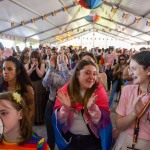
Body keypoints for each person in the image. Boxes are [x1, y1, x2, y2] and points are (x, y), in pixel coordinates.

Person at [52, 60, 112, 150]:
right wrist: (65, 108)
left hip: (92, 142)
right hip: (71, 141)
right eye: (87, 73)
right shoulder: (66, 91)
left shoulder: (99, 91)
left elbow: (102, 123)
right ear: (77, 74)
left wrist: (93, 109)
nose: (92, 77)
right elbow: (60, 121)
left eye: (94, 74)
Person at [113, 51, 150, 150]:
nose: (129, 73)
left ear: (148, 70)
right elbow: (119, 126)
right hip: (125, 141)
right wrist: (133, 114)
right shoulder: (127, 90)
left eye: (133, 69)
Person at [42, 50, 71, 150]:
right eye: (59, 58)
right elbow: (45, 84)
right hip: (51, 105)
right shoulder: (51, 71)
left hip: (64, 107)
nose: (60, 60)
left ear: (67, 61)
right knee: (51, 134)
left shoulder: (71, 72)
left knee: (64, 134)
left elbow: (68, 82)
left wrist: (62, 64)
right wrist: (51, 67)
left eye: (63, 58)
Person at [0, 56, 34, 121]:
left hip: (21, 125)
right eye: (4, 69)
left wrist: (24, 126)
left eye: (9, 69)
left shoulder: (27, 89)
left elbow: (31, 110)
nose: (5, 72)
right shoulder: (1, 87)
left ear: (17, 72)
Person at [25, 50, 47, 125]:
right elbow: (26, 75)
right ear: (30, 58)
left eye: (36, 58)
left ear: (38, 58)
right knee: (32, 102)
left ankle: (40, 119)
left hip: (39, 84)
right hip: (30, 84)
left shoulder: (42, 65)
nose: (34, 59)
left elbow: (41, 75)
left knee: (40, 101)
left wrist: (37, 67)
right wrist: (32, 68)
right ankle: (33, 119)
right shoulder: (27, 65)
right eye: (33, 57)